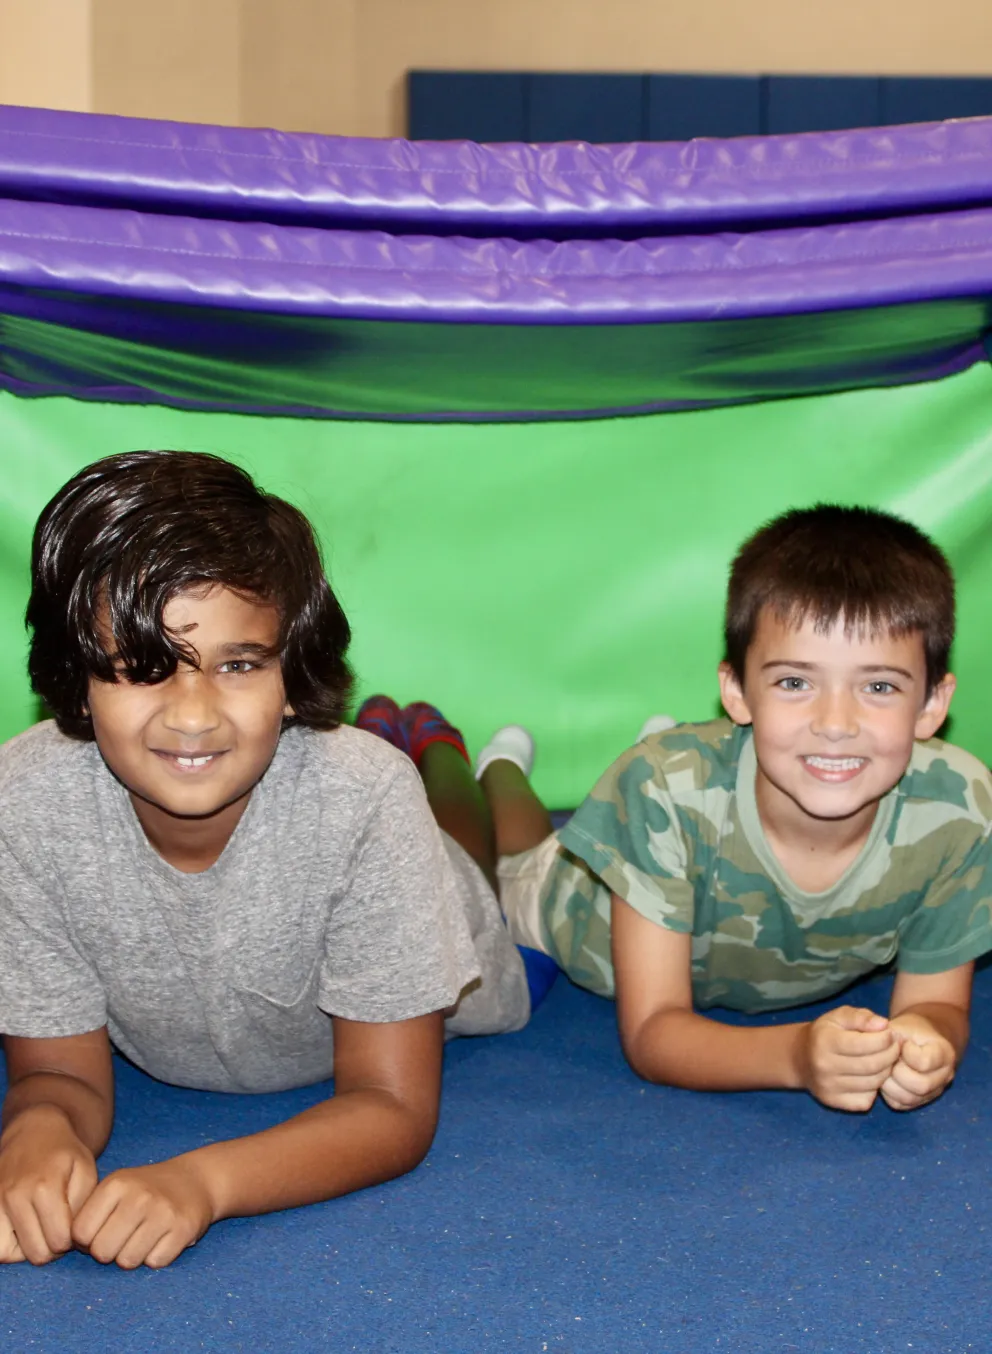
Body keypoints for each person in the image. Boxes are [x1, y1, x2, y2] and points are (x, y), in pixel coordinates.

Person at [0, 450, 533, 1271]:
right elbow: (58, 1075)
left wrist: (204, 1182)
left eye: (237, 665)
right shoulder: (26, 799)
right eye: (143, 670)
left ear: (291, 678)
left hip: (441, 883)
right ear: (76, 685)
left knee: (476, 844)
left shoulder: (362, 798)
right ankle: (425, 739)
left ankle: (464, 755)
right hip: (341, 801)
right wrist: (38, 1133)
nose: (191, 715)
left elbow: (389, 1104)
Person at [478, 504, 992, 1114]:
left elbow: (936, 1005)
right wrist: (798, 1057)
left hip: (677, 806)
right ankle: (496, 766)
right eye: (795, 683)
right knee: (512, 854)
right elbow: (654, 1033)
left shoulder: (960, 811)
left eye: (878, 686)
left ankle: (651, 745)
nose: (835, 724)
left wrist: (927, 1042)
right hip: (565, 907)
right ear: (736, 693)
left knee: (660, 777)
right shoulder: (659, 788)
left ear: (933, 704)